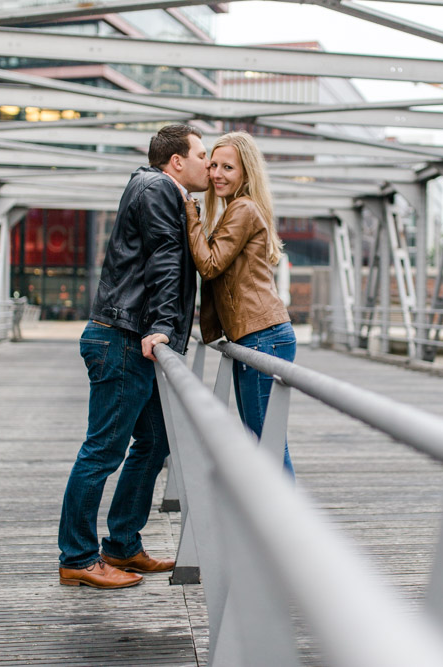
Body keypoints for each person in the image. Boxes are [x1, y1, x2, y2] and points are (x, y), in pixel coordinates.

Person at [58, 124, 210, 589]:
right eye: (202, 154)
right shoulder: (160, 187)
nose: (209, 163)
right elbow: (165, 258)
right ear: (176, 160)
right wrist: (163, 325)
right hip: (125, 337)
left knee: (154, 441)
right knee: (102, 450)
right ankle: (78, 558)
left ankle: (122, 545)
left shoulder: (156, 188)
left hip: (126, 336)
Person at [186, 131, 297, 479]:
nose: (217, 173)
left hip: (262, 334)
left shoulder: (243, 208)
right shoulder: (238, 208)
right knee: (264, 437)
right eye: (213, 164)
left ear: (246, 173)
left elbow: (210, 264)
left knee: (267, 440)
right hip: (257, 334)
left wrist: (190, 214)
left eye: (228, 167)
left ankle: (284, 526)